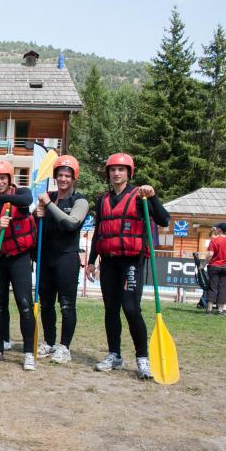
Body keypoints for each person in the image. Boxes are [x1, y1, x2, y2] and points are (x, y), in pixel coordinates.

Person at [86, 153, 170, 379]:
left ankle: (142, 359)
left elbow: (164, 220)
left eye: (121, 169)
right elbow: (99, 232)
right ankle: (115, 355)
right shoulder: (102, 199)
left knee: (131, 308)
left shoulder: (140, 196)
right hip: (109, 261)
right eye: (112, 169)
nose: (116, 173)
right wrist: (91, 261)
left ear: (129, 173)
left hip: (131, 261)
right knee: (111, 310)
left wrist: (152, 197)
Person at [0, 160, 36, 370]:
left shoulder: (22, 193)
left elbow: (27, 200)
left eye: (3, 178)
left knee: (24, 305)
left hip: (19, 258)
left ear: (9, 179)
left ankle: (28, 352)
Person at [35, 155, 88, 364]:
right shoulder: (49, 196)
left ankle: (64, 347)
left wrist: (47, 204)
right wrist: (36, 213)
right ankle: (49, 342)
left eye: (68, 175)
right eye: (60, 175)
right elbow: (35, 222)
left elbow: (70, 224)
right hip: (46, 258)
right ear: (55, 177)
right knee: (46, 303)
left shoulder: (80, 200)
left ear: (74, 178)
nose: (63, 179)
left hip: (67, 258)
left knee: (66, 305)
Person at [202, 222, 226, 315]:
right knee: (224, 288)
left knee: (212, 287)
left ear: (220, 230)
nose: (216, 229)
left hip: (214, 266)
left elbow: (210, 254)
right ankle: (220, 310)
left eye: (217, 228)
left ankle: (209, 309)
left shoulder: (214, 240)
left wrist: (204, 264)